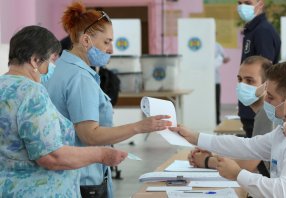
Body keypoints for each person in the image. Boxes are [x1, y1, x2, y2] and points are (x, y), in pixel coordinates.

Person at [44, 3, 171, 197]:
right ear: (86, 41)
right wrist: (139, 127)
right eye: (106, 42)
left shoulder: (60, 68)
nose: (111, 49)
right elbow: (90, 135)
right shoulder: (80, 78)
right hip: (83, 179)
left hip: (65, 175)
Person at [0, 25, 127, 197]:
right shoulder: (32, 93)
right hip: (39, 190)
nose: (53, 66)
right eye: (51, 61)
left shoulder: (4, 87)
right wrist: (102, 154)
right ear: (35, 60)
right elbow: (51, 156)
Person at [171, 61, 286, 197]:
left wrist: (238, 174)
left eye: (270, 97)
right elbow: (246, 146)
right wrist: (195, 137)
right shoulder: (283, 131)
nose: (265, 101)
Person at [190, 56, 273, 175]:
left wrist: (207, 161)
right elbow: (249, 151)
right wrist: (214, 153)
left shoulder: (267, 114)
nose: (242, 85)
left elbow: (249, 164)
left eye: (250, 81)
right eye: (240, 79)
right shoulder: (262, 112)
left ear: (266, 85)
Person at [237, 0, 281, 141]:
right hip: (251, 107)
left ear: (260, 4)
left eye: (248, 2)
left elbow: (264, 71)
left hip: (258, 108)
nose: (243, 6)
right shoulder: (252, 30)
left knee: (258, 158)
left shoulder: (263, 31)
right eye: (240, 2)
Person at [215, 41, 229, 124]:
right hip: (203, 80)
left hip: (215, 80)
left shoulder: (217, 46)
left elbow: (226, 58)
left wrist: (220, 60)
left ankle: (217, 120)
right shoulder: (202, 44)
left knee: (216, 101)